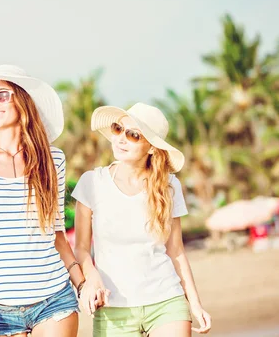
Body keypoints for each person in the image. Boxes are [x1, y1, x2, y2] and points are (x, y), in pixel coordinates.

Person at [0, 65, 84, 337]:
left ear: (22, 100)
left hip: (54, 298)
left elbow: (56, 233)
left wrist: (82, 282)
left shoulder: (52, 159)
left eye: (2, 95)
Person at [72, 103, 212, 336]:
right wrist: (92, 277)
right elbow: (81, 248)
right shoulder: (92, 183)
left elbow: (176, 251)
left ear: (151, 148)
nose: (121, 139)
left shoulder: (169, 186)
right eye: (118, 129)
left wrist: (195, 304)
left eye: (133, 134)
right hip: (113, 309)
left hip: (166, 301)